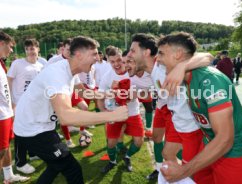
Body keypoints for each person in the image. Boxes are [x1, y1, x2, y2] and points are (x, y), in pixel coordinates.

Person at [13, 36, 128, 184]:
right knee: (72, 169)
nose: (97, 57)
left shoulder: (70, 70)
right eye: (93, 54)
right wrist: (112, 115)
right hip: (32, 130)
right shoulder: (57, 74)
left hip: (41, 126)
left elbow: (84, 92)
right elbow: (66, 116)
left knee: (55, 166)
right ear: (79, 55)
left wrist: (108, 93)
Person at [158, 32, 242, 184]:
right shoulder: (186, 77)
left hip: (234, 150)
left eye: (162, 53)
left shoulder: (209, 81)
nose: (158, 58)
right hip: (210, 142)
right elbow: (206, 57)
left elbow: (225, 139)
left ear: (178, 54)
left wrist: (182, 171)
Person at [126, 33, 213, 180]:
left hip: (191, 128)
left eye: (132, 51)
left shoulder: (164, 66)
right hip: (178, 121)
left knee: (193, 172)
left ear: (146, 52)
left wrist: (182, 67)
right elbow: (161, 93)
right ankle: (169, 176)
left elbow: (208, 56)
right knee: (167, 154)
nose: (128, 55)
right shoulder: (154, 72)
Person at [97, 46, 144, 173]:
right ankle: (112, 161)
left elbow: (144, 91)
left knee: (139, 141)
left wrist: (132, 95)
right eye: (112, 62)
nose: (116, 64)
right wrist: (104, 112)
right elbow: (99, 98)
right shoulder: (107, 77)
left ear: (123, 59)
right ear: (108, 61)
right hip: (114, 114)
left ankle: (127, 157)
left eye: (119, 60)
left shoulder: (133, 73)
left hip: (133, 112)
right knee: (111, 143)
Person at [7, 38, 44, 175]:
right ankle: (20, 162)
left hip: (34, 105)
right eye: (28, 49)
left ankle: (33, 153)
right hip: (19, 105)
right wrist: (11, 101)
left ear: (38, 49)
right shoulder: (18, 63)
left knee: (33, 130)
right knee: (20, 133)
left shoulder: (41, 65)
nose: (30, 51)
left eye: (33, 48)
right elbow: (9, 81)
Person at [0, 31, 30, 183]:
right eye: (10, 46)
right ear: (1, 43)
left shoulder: (1, 62)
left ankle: (8, 175)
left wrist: (11, 105)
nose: (11, 50)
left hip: (6, 112)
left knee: (6, 146)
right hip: (0, 115)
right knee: (2, 149)